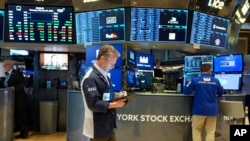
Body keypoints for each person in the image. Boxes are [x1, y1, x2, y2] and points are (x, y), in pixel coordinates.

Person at [81, 44, 127, 141]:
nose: (113, 66)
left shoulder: (104, 75)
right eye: (111, 63)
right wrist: (116, 104)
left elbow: (105, 95)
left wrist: (117, 95)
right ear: (102, 59)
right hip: (97, 128)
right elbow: (94, 104)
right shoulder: (90, 78)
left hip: (108, 125)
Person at [183, 63, 223, 141]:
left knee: (197, 130)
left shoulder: (195, 80)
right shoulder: (216, 81)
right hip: (212, 111)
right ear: (210, 70)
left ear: (200, 71)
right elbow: (221, 92)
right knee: (210, 131)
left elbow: (186, 91)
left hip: (199, 110)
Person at [0, 59, 29, 139]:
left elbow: (25, 83)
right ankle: (22, 131)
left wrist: (13, 88)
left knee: (21, 116)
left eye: (5, 65)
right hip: (11, 99)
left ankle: (25, 131)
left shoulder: (16, 73)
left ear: (10, 65)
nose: (4, 66)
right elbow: (5, 85)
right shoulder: (7, 75)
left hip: (19, 99)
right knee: (15, 116)